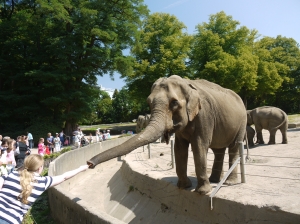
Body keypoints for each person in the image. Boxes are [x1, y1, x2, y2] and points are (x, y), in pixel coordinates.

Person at [0, 154, 89, 224]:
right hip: (10, 221)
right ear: (40, 168)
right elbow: (64, 177)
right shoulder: (42, 182)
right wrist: (81, 169)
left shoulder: (10, 175)